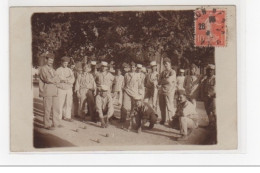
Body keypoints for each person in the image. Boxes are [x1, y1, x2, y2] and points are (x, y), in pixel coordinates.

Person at [38, 53, 62, 130]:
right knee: (47, 108)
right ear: (46, 60)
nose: (51, 62)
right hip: (47, 90)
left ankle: (56, 123)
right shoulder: (43, 69)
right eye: (50, 60)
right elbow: (47, 79)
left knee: (56, 108)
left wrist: (54, 79)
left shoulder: (52, 69)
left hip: (54, 91)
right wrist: (54, 79)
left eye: (52, 60)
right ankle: (47, 124)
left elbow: (58, 79)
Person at [121, 62, 143, 130]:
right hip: (127, 91)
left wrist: (140, 93)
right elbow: (123, 83)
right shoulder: (126, 74)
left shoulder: (137, 75)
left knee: (133, 107)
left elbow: (140, 85)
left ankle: (132, 121)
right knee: (124, 106)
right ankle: (123, 119)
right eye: (131, 67)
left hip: (134, 92)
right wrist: (123, 89)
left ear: (135, 68)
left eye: (133, 67)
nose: (132, 68)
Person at [158, 58, 177, 125]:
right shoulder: (163, 72)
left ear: (170, 64)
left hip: (169, 91)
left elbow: (169, 80)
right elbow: (159, 81)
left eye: (167, 63)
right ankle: (163, 120)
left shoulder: (172, 72)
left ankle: (172, 121)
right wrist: (164, 80)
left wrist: (163, 80)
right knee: (162, 107)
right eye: (164, 64)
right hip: (162, 91)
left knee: (170, 107)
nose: (165, 65)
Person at [56, 56, 75, 122]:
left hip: (68, 88)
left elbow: (72, 79)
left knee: (68, 102)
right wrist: (63, 80)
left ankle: (67, 116)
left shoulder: (69, 70)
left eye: (66, 63)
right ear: (61, 62)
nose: (65, 65)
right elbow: (57, 79)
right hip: (61, 88)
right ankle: (59, 116)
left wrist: (66, 80)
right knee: (60, 102)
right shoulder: (58, 70)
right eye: (64, 63)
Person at [202, 64, 216, 128]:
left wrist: (211, 94)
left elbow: (216, 88)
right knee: (208, 111)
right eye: (208, 70)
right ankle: (210, 124)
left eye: (211, 70)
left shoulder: (215, 78)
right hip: (206, 97)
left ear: (213, 71)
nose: (209, 72)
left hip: (213, 97)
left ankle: (216, 124)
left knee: (214, 111)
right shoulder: (206, 79)